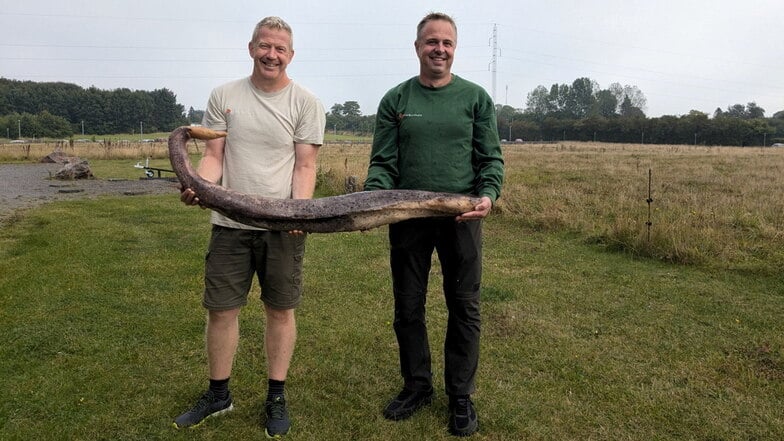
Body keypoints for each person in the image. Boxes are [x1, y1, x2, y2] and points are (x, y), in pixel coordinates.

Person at [172, 16, 325, 438]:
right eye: (264, 45)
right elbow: (214, 157)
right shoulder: (224, 96)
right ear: (251, 47)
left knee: (280, 310)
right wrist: (199, 185)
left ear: (290, 55)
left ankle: (276, 393)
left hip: (282, 227)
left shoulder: (305, 102)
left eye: (279, 49)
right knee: (221, 310)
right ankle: (219, 393)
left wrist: (300, 214)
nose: (271, 54)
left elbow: (306, 165)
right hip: (229, 223)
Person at [364, 12, 504, 437]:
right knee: (408, 306)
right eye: (431, 42)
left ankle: (460, 396)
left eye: (446, 42)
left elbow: (490, 159)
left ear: (454, 48)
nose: (438, 49)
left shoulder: (476, 98)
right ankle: (417, 386)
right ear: (417, 47)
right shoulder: (396, 100)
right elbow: (383, 163)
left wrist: (488, 195)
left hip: (460, 216)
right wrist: (374, 197)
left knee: (464, 305)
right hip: (407, 216)